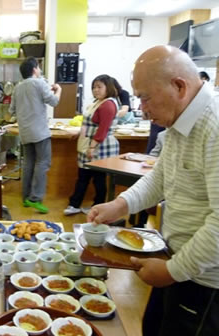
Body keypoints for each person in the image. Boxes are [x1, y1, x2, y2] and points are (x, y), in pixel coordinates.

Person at [88, 45, 219, 336]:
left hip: (205, 281)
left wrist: (173, 271)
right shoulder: (178, 121)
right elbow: (160, 177)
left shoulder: (214, 127)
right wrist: (120, 205)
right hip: (177, 263)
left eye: (145, 98)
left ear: (179, 86)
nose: (142, 108)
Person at [9, 57, 61, 214]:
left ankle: (26, 197)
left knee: (29, 163)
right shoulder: (39, 83)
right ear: (34, 70)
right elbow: (54, 102)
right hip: (40, 132)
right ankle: (35, 198)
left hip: (25, 132)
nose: (39, 70)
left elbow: (11, 111)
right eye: (38, 68)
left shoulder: (17, 88)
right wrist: (58, 90)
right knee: (43, 163)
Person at [64, 74, 119, 216]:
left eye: (99, 87)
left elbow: (103, 129)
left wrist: (92, 147)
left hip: (100, 146)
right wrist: (79, 133)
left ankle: (96, 206)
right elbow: (89, 125)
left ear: (109, 88)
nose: (96, 90)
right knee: (84, 176)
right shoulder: (98, 102)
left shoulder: (108, 104)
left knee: (98, 179)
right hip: (90, 143)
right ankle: (75, 204)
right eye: (94, 87)